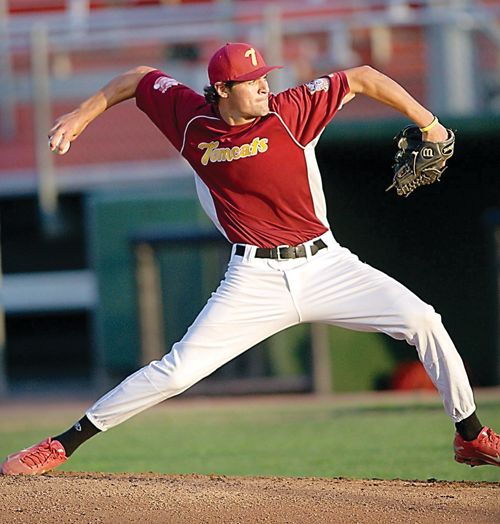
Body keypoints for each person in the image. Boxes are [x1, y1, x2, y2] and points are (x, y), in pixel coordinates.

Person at [2, 42, 499, 476]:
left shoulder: (291, 109)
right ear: (221, 90)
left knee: (424, 320)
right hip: (253, 277)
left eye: (265, 76)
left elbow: (364, 77)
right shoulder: (189, 117)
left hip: (328, 266)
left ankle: (471, 435)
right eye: (251, 81)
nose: (264, 86)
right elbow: (137, 79)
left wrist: (430, 124)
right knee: (176, 372)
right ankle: (62, 443)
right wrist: (81, 115)